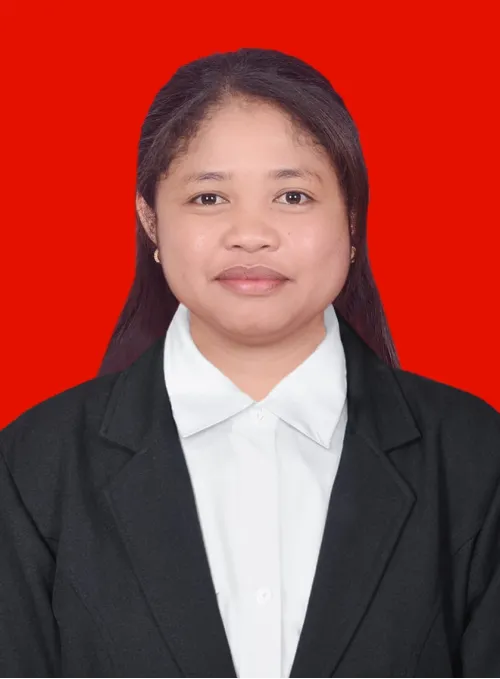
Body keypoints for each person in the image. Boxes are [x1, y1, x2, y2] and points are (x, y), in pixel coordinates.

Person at [0, 47, 499, 679]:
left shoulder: (476, 456)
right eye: (209, 198)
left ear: (352, 219)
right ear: (150, 220)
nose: (251, 233)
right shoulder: (33, 466)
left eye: (293, 195)